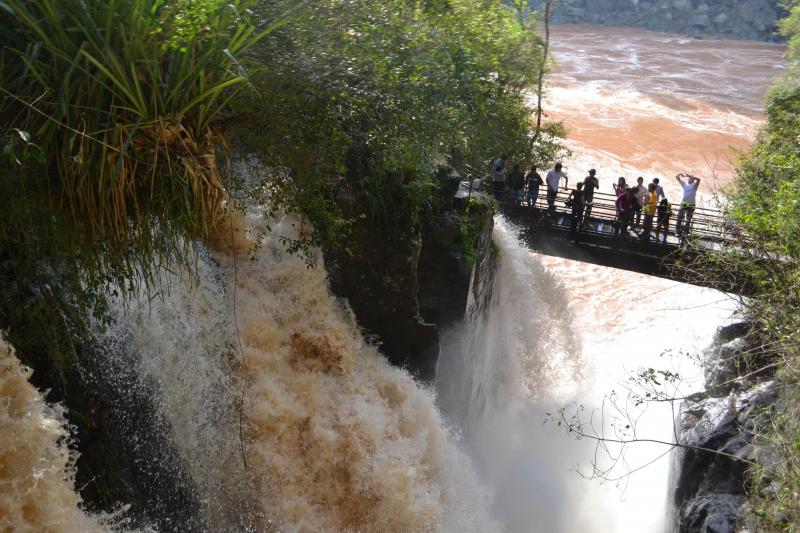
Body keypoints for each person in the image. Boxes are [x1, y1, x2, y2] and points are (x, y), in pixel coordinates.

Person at [675, 173, 701, 238]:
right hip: (684, 203)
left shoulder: (694, 185)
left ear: (693, 180)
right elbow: (677, 177)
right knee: (680, 217)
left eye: (691, 178)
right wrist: (680, 174)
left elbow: (699, 180)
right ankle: (677, 231)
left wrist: (690, 175)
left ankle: (686, 231)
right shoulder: (684, 184)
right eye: (689, 178)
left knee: (688, 219)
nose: (689, 179)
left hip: (691, 204)